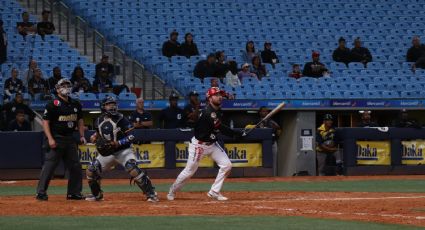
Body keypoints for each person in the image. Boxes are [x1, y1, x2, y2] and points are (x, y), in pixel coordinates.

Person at [167, 87, 243, 201]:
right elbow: (220, 127)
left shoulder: (217, 110)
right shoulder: (209, 112)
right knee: (189, 172)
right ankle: (172, 190)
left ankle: (214, 192)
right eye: (216, 95)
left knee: (227, 165)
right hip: (199, 145)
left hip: (211, 144)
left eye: (220, 95)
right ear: (210, 98)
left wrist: (237, 134)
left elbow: (219, 127)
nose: (219, 97)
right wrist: (236, 133)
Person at [85, 96, 159, 202]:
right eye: (109, 104)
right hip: (109, 153)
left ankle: (151, 193)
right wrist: (94, 136)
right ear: (103, 106)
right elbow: (99, 131)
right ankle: (97, 195)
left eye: (114, 104)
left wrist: (118, 143)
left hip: (124, 150)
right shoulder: (98, 120)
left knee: (131, 167)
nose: (112, 106)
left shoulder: (121, 118)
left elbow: (132, 135)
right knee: (91, 170)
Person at [36, 79, 87, 201]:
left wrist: (82, 135)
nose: (66, 87)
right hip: (56, 138)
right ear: (57, 89)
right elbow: (45, 122)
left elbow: (80, 121)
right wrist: (50, 139)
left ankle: (74, 193)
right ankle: (41, 193)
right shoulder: (52, 104)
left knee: (75, 167)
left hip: (70, 139)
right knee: (49, 167)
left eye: (68, 85)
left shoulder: (76, 103)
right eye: (63, 85)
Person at [257, 106, 281, 176]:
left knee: (274, 161)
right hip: (261, 145)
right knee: (261, 161)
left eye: (266, 111)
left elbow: (279, 130)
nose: (264, 112)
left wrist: (275, 137)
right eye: (263, 111)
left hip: (272, 143)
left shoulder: (272, 122)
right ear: (260, 112)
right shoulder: (257, 122)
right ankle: (262, 176)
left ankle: (274, 176)